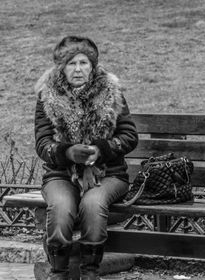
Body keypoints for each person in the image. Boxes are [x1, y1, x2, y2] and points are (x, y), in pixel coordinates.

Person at [34, 35, 138, 279]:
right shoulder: (47, 97)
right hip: (60, 174)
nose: (78, 69)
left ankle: (90, 272)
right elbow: (42, 143)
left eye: (83, 63)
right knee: (60, 207)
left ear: (92, 66)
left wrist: (101, 151)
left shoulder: (111, 93)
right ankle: (58, 272)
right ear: (62, 67)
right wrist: (67, 152)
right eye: (71, 63)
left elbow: (130, 136)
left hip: (108, 174)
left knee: (92, 204)